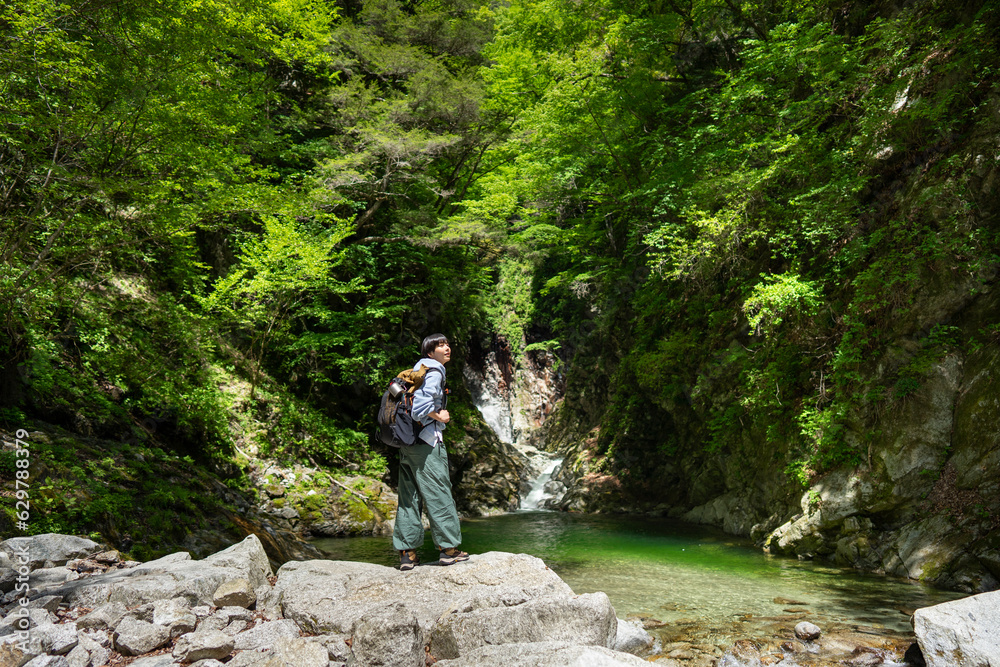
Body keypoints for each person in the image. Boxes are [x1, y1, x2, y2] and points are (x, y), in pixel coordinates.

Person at [393, 333, 470, 571]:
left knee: (409, 497)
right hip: (427, 442)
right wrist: (440, 416)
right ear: (430, 353)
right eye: (440, 346)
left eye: (447, 344)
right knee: (439, 494)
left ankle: (408, 554)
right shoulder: (434, 371)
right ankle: (448, 550)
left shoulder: (416, 371)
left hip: (407, 443)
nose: (447, 348)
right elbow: (419, 409)